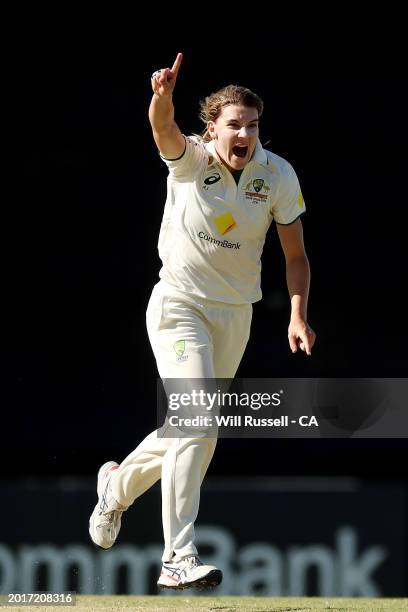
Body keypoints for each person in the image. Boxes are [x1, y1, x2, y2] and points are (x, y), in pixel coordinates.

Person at [89, 52, 316, 590]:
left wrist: (298, 315)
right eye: (234, 125)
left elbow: (296, 256)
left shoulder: (277, 174)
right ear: (212, 128)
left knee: (184, 429)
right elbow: (162, 127)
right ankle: (177, 558)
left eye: (253, 126)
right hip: (179, 305)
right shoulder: (190, 159)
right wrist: (161, 95)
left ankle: (115, 489)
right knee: (199, 423)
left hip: (235, 314)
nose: (245, 135)